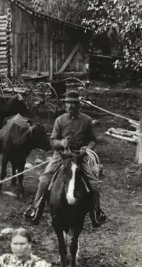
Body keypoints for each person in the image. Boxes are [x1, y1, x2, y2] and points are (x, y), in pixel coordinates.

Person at [23, 90, 107, 227]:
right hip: (61, 155)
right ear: (65, 105)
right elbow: (52, 141)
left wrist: (88, 149)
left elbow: (93, 140)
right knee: (45, 179)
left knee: (93, 182)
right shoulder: (60, 120)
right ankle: (35, 209)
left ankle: (97, 213)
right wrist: (61, 143)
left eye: (73, 104)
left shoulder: (86, 120)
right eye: (68, 103)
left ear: (78, 105)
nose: (70, 106)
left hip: (81, 156)